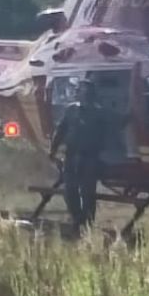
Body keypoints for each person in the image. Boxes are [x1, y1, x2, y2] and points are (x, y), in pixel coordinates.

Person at [49, 80, 109, 228]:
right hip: (71, 156)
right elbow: (60, 131)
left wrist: (101, 153)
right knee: (69, 191)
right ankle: (77, 218)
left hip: (90, 157)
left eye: (81, 90)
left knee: (88, 192)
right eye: (79, 90)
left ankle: (87, 222)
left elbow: (105, 135)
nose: (78, 93)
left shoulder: (99, 113)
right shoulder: (71, 110)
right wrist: (53, 150)